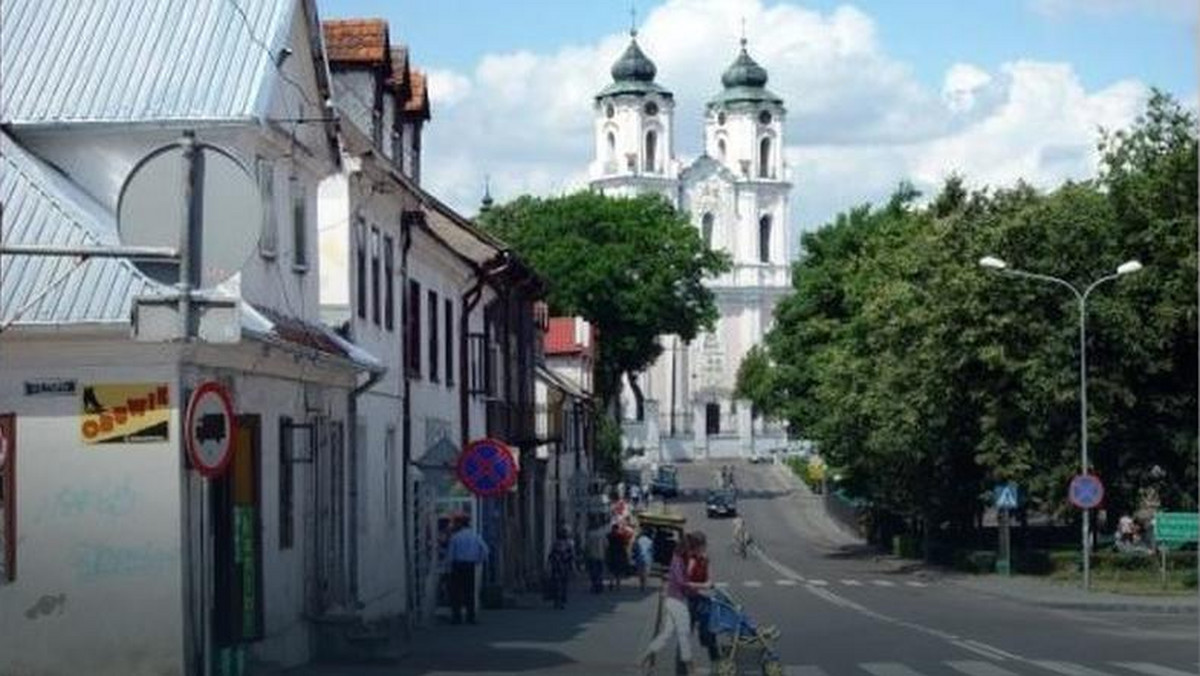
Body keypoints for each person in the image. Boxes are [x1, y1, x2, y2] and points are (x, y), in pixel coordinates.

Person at [641, 533, 708, 675]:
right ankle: (684, 671)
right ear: (692, 547)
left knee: (668, 634)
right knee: (683, 637)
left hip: (676, 600)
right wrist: (699, 586)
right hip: (677, 602)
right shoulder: (678, 560)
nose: (700, 551)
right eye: (699, 547)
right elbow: (681, 582)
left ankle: (645, 658)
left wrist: (696, 590)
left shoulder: (682, 558)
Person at [685, 532, 721, 666]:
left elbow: (710, 581)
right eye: (704, 545)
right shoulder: (690, 560)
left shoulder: (705, 559)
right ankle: (684, 660)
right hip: (689, 601)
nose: (706, 547)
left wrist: (705, 585)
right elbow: (685, 583)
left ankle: (716, 661)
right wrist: (702, 585)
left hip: (702, 599)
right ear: (697, 546)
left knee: (709, 631)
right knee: (687, 631)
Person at [447, 514, 489, 625]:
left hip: (457, 565)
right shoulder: (475, 536)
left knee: (456, 592)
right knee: (469, 591)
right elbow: (485, 550)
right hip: (470, 566)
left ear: (459, 524)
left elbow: (450, 554)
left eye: (456, 523)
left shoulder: (455, 537)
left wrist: (449, 566)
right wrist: (479, 560)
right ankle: (470, 617)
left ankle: (457, 617)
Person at [547, 527, 575, 609]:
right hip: (563, 568)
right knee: (562, 585)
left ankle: (557, 601)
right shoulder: (568, 545)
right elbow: (571, 557)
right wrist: (573, 568)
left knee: (557, 584)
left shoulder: (556, 544)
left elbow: (551, 556)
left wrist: (549, 565)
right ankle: (560, 601)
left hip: (556, 568)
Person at [606, 523, 630, 590]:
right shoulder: (620, 536)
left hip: (611, 553)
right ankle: (618, 585)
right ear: (617, 529)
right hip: (619, 554)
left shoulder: (609, 536)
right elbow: (625, 544)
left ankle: (611, 583)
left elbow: (607, 544)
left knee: (611, 570)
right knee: (618, 571)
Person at [586, 522, 607, 593]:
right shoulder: (602, 535)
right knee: (600, 571)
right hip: (601, 555)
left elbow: (587, 546)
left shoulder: (590, 534)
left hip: (592, 555)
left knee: (593, 572)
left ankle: (594, 585)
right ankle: (600, 585)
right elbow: (606, 544)